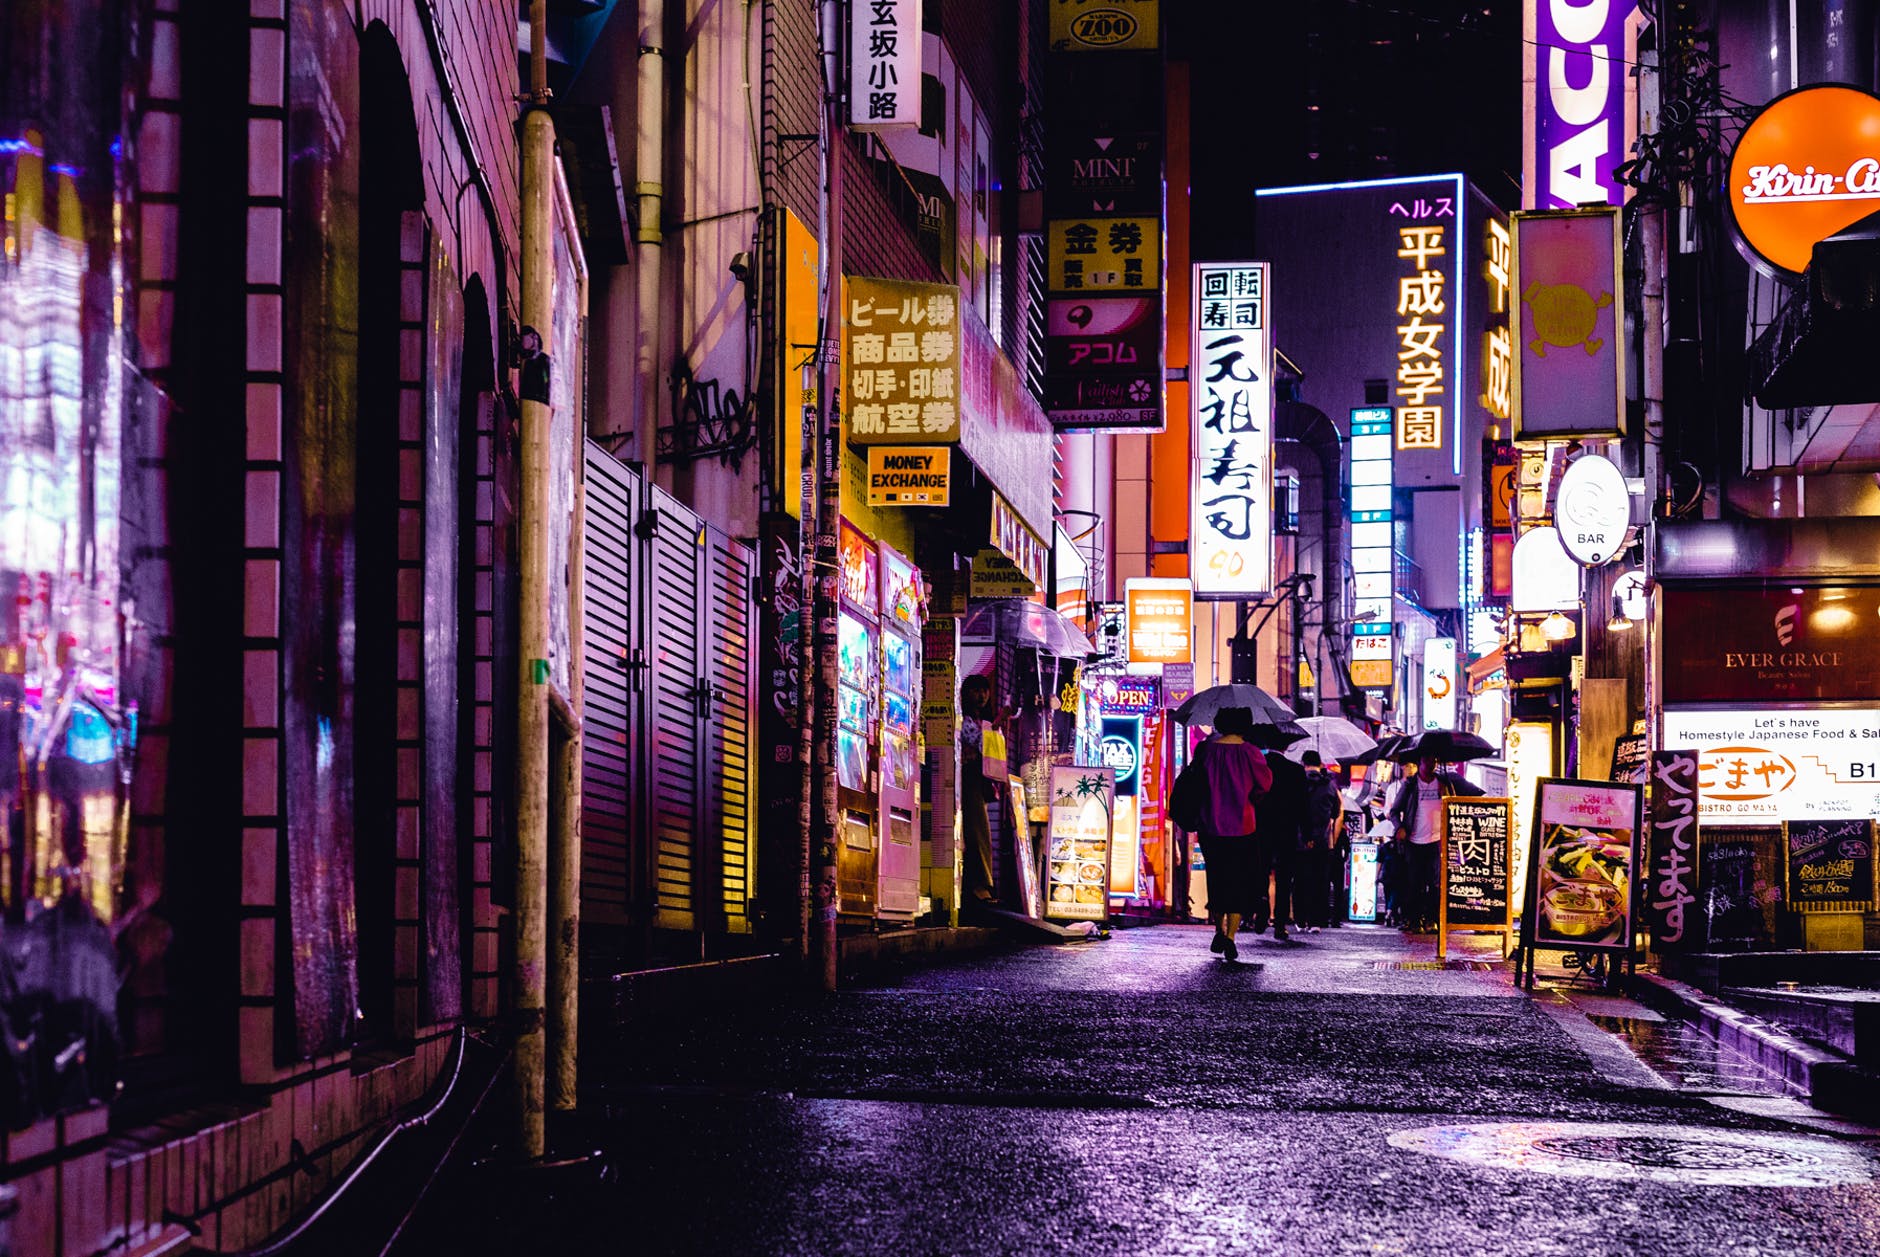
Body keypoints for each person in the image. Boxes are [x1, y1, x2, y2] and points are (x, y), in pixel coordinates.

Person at [1193, 706, 1274, 962]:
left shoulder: (1206, 750)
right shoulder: (1251, 753)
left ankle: (1218, 928)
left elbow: (1195, 781)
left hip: (1211, 825)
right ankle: (1230, 936)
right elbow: (1264, 785)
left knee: (1216, 878)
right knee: (1239, 881)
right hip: (1243, 825)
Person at [1388, 755, 1485, 931]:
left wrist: (1446, 794)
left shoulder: (1444, 782)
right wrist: (1399, 827)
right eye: (1427, 761)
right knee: (1415, 883)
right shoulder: (1410, 785)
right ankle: (1414, 920)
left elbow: (1458, 804)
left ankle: (1432, 920)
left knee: (1435, 884)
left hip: (1437, 840)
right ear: (1419, 763)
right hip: (1414, 840)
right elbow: (1394, 811)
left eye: (1433, 761)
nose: (1431, 765)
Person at [1255, 742, 1307, 940]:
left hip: (1261, 829)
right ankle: (1280, 924)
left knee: (1261, 872)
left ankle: (1261, 912)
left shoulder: (1259, 766)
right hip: (1287, 830)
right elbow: (1303, 805)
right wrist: (1307, 833)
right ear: (1285, 747)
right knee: (1284, 878)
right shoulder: (1295, 770)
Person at [959, 675, 1001, 911]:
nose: (982, 696)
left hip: (977, 782)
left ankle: (982, 885)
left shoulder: (980, 719)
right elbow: (979, 742)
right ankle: (978, 886)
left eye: (985, 690)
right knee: (976, 833)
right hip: (967, 781)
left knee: (980, 833)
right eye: (976, 690)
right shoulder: (964, 719)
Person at [1294, 751, 1344, 932]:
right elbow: (1336, 812)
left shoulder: (1297, 783)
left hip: (1299, 841)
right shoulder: (1330, 786)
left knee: (1300, 881)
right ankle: (1316, 921)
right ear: (1321, 764)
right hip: (1323, 841)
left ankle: (1300, 920)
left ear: (1303, 763)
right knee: (1320, 881)